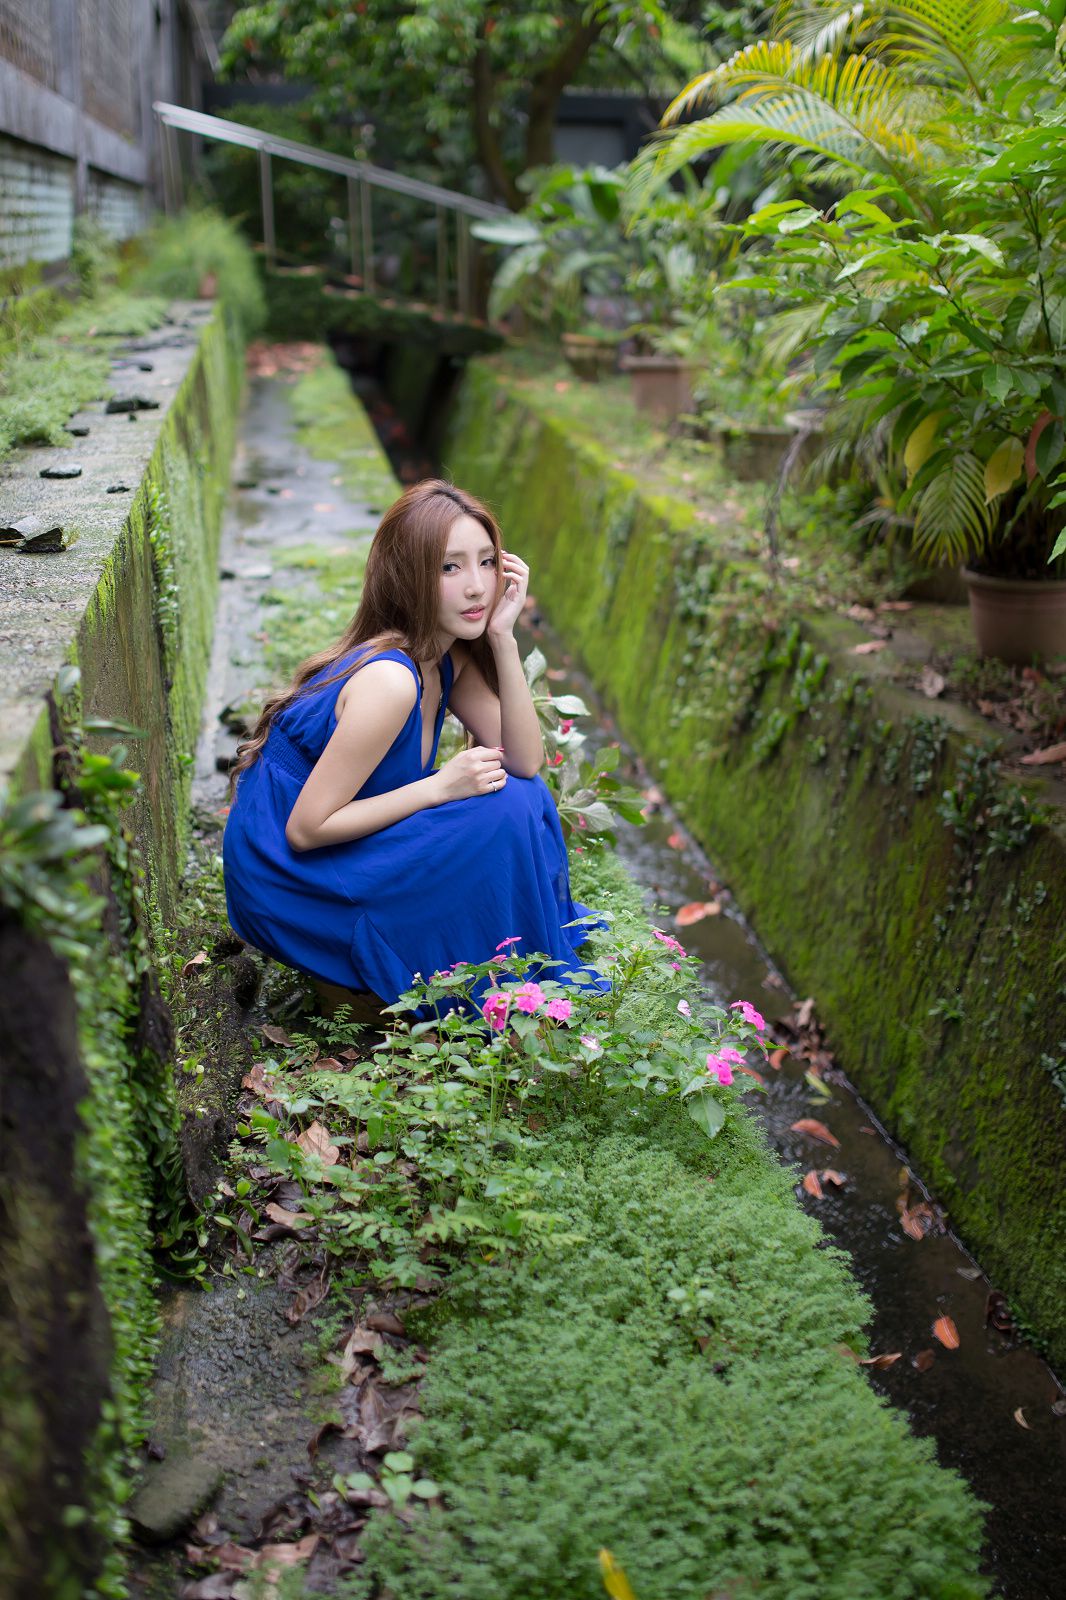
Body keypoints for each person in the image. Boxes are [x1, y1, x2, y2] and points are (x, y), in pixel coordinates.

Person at [222, 478, 601, 1013]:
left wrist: (502, 638)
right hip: (287, 877)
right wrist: (438, 788)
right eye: (450, 567)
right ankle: (435, 978)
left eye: (487, 562)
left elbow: (524, 760)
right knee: (503, 809)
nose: (476, 586)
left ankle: (507, 971)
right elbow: (306, 830)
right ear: (408, 576)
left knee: (521, 795)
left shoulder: (445, 656)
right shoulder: (391, 681)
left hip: (334, 846)